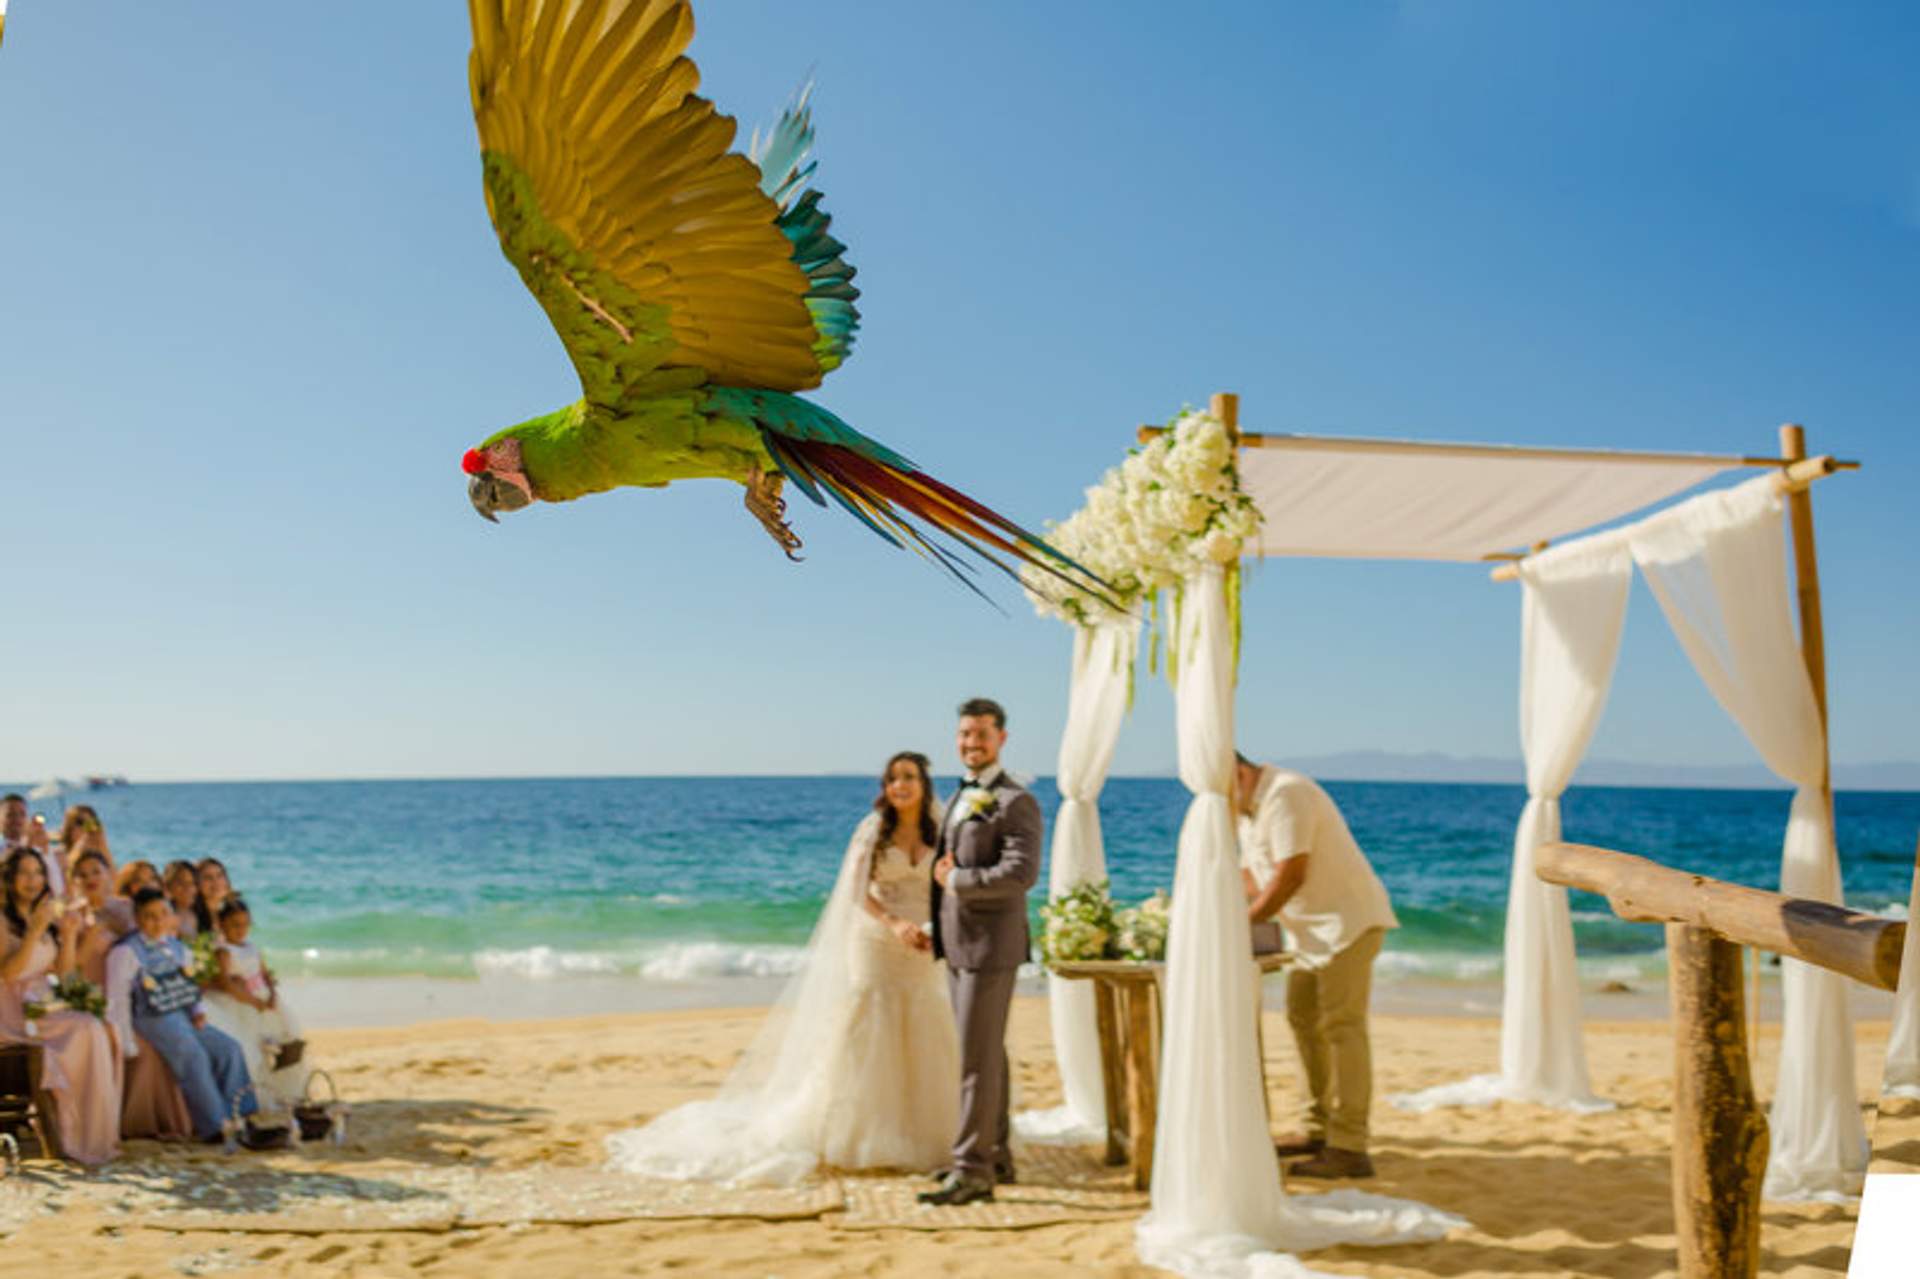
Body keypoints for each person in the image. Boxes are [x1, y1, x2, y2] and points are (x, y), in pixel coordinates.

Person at [607, 751, 961, 1184]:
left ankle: (923, 1131)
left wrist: (933, 929)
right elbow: (854, 893)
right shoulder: (873, 831)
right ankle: (860, 1132)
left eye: (908, 778)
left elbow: (947, 885)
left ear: (924, 784)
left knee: (926, 1022)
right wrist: (894, 924)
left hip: (923, 943)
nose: (899, 786)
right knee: (872, 1022)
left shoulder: (942, 831)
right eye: (892, 779)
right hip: (875, 939)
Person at [1234, 753, 1398, 1180]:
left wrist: (1242, 923)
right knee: (1303, 1020)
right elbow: (1252, 877)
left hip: (1347, 925)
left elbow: (1291, 874)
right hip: (1309, 935)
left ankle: (1350, 1147)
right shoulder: (1246, 811)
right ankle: (1316, 1129)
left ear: (1238, 774)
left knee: (1342, 1028)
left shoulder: (1286, 793)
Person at [920, 698, 1042, 1207]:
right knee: (988, 1055)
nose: (971, 743)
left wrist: (958, 881)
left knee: (974, 1060)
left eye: (981, 735)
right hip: (958, 946)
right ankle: (997, 1157)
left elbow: (1020, 874)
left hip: (991, 949)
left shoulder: (1015, 801)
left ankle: (971, 1171)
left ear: (1002, 739)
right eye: (965, 734)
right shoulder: (962, 794)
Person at [0, 848, 122, 1165]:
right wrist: (36, 931)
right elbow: (9, 973)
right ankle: (74, 1136)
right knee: (85, 1028)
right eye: (24, 873)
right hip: (12, 1011)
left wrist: (67, 936)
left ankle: (92, 1136)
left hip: (43, 1004)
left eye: (38, 873)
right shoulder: (2, 919)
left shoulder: (45, 916)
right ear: (10, 879)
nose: (32, 880)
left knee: (100, 1027)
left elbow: (64, 975)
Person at [104, 889, 256, 1142]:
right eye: (150, 916)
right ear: (138, 919)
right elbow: (117, 999)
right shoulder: (126, 952)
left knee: (229, 1048)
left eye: (163, 914)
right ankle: (215, 1126)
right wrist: (125, 1040)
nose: (158, 921)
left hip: (182, 1013)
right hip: (151, 1016)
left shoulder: (176, 947)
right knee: (192, 1056)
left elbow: (189, 985)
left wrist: (197, 1011)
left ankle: (242, 1114)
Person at [74, 858, 193, 1140]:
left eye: (96, 872)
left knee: (160, 1040)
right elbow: (73, 967)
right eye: (82, 874)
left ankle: (169, 1119)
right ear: (73, 879)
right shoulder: (74, 915)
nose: (90, 878)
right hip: (93, 996)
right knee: (143, 1048)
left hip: (132, 996)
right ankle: (133, 1122)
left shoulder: (125, 908)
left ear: (108, 875)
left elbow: (157, 941)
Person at [203, 898, 309, 1111]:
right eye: (235, 925)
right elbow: (226, 983)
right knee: (252, 1049)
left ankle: (282, 1093)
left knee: (280, 1044)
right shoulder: (224, 951)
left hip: (263, 1001)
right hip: (240, 1004)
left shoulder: (251, 946)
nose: (241, 930)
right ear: (222, 924)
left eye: (245, 924)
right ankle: (254, 1097)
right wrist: (252, 1002)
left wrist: (271, 994)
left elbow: (263, 973)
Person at [59, 806, 113, 882]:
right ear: (69, 828)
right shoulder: (59, 857)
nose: (86, 829)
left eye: (92, 823)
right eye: (81, 822)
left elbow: (116, 887)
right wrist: (79, 848)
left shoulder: (100, 861)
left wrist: (103, 847)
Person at [194, 858, 233, 936]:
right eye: (208, 877)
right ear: (196, 884)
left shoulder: (227, 914)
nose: (216, 881)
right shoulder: (193, 918)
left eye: (220, 875)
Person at [162, 861, 201, 939]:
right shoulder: (165, 914)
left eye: (192, 883)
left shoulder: (195, 913)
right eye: (181, 883)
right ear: (168, 886)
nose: (188, 888)